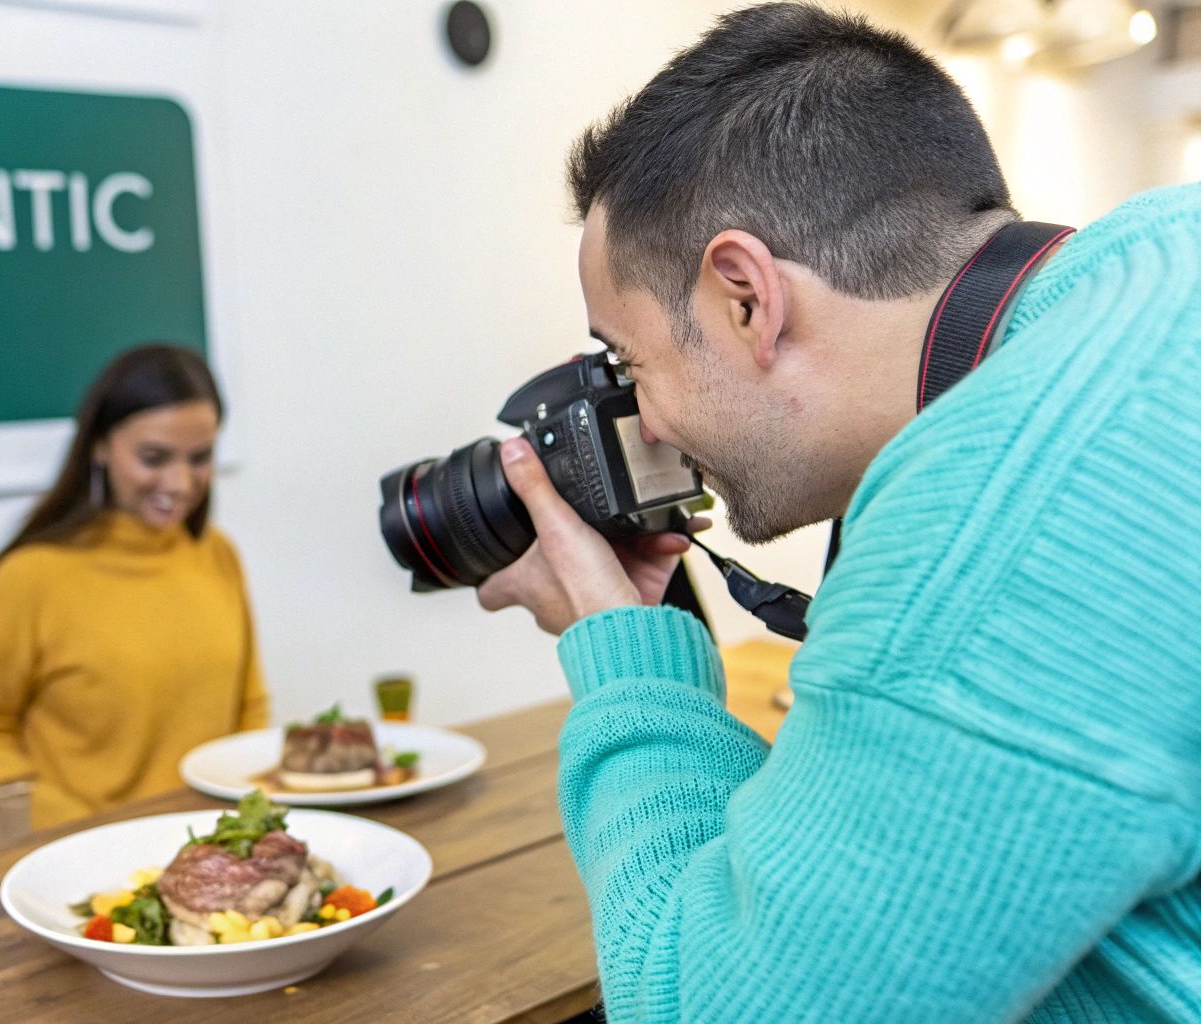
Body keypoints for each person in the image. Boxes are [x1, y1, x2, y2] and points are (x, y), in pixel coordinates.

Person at [472, 4, 1201, 1021]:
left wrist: (623, 649)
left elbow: (704, 1004)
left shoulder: (984, 521)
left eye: (631, 363)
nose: (643, 417)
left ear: (743, 296)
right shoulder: (1161, 256)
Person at [0, 344, 268, 830]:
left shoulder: (216, 555)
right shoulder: (33, 577)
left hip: (210, 852)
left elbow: (249, 710)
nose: (180, 483)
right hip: (86, 862)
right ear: (100, 446)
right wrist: (78, 829)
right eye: (154, 457)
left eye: (200, 458)